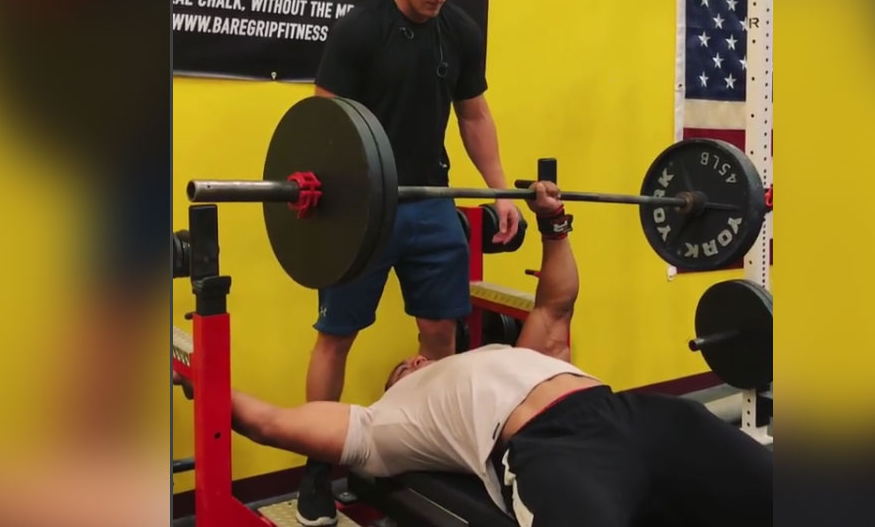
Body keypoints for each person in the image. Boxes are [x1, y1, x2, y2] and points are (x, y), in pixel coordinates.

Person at [175, 182, 773, 527]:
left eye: (412, 358)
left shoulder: (512, 352)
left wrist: (555, 225)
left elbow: (556, 304)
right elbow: (272, 422)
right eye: (400, 368)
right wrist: (198, 375)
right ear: (395, 384)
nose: (412, 361)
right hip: (550, 447)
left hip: (637, 414)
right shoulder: (383, 426)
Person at [302, 0, 521, 522]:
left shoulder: (460, 31)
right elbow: (324, 121)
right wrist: (334, 208)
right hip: (365, 209)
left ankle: (432, 453)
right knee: (336, 334)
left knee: (440, 334)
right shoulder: (360, 30)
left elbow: (474, 114)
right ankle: (316, 469)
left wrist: (500, 190)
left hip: (431, 201)